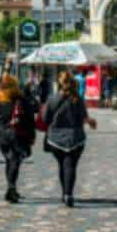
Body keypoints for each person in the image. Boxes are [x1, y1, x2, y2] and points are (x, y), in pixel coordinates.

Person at [43, 71, 97, 207]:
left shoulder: (52, 99)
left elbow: (45, 119)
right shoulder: (77, 99)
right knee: (70, 165)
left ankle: (65, 193)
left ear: (60, 83)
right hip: (75, 138)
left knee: (63, 165)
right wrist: (90, 122)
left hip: (56, 139)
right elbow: (83, 117)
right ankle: (68, 193)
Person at [0, 73, 34, 203]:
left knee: (10, 160)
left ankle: (11, 188)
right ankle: (11, 188)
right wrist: (32, 136)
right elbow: (30, 120)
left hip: (2, 136)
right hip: (17, 135)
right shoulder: (21, 100)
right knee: (14, 161)